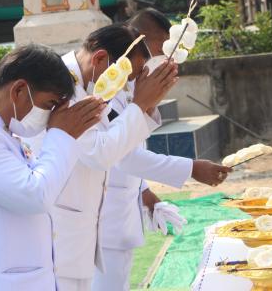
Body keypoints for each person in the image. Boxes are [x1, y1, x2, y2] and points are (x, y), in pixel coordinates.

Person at [0, 43, 105, 291]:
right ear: (19, 90)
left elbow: (45, 184)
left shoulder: (4, 131)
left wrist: (65, 135)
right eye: (48, 104)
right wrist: (62, 134)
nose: (49, 115)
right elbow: (35, 194)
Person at [25, 24, 178, 291]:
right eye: (127, 75)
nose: (127, 85)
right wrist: (140, 105)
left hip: (84, 225)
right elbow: (100, 152)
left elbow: (115, 141)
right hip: (59, 230)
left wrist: (145, 105)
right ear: (99, 59)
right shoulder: (63, 90)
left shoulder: (86, 84)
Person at [92, 8, 231, 291]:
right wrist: (192, 168)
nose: (163, 58)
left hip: (121, 215)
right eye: (159, 49)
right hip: (101, 221)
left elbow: (129, 143)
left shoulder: (129, 85)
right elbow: (121, 155)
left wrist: (147, 196)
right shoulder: (104, 89)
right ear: (137, 41)